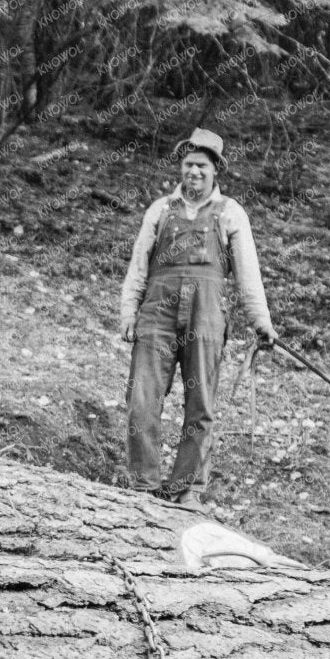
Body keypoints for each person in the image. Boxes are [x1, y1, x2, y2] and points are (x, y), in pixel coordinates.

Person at [118, 127, 277, 502]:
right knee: (142, 398)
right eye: (189, 164)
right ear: (181, 167)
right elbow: (138, 265)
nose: (194, 172)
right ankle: (145, 485)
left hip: (206, 316)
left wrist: (262, 322)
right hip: (156, 314)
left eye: (202, 166)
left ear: (215, 169)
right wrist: (128, 310)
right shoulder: (160, 210)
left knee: (200, 403)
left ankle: (187, 489)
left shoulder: (230, 213)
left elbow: (248, 274)